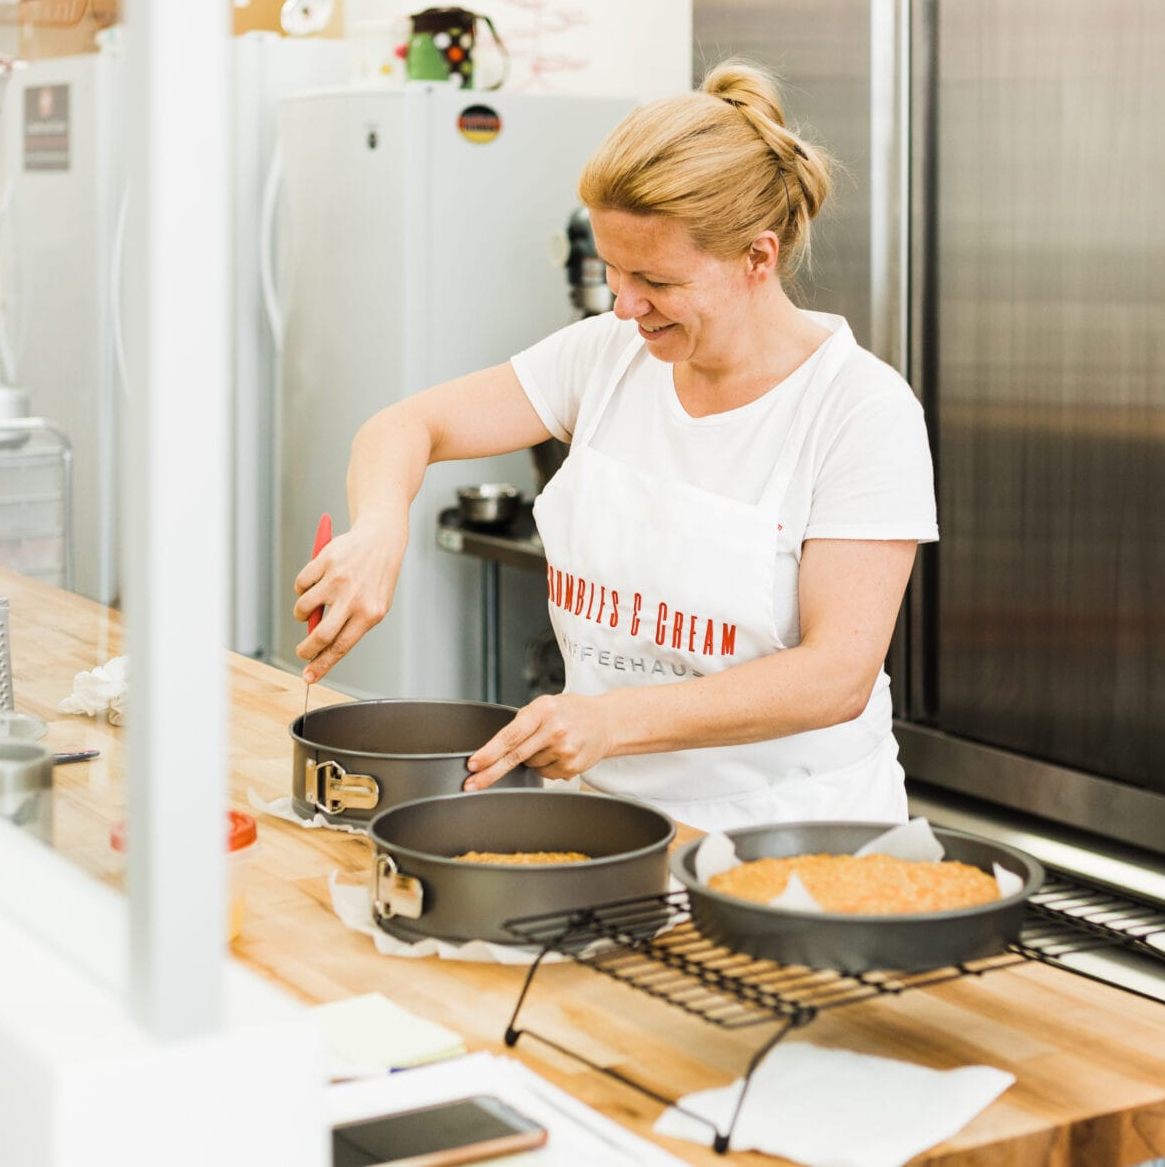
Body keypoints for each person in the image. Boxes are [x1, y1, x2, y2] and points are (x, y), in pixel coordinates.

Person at [292, 62, 936, 831]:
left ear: (757, 259)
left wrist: (610, 721)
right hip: (612, 824)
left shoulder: (858, 410)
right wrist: (378, 529)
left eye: (654, 279)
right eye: (612, 271)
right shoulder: (605, 354)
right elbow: (403, 426)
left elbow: (835, 676)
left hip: (795, 840)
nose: (625, 305)